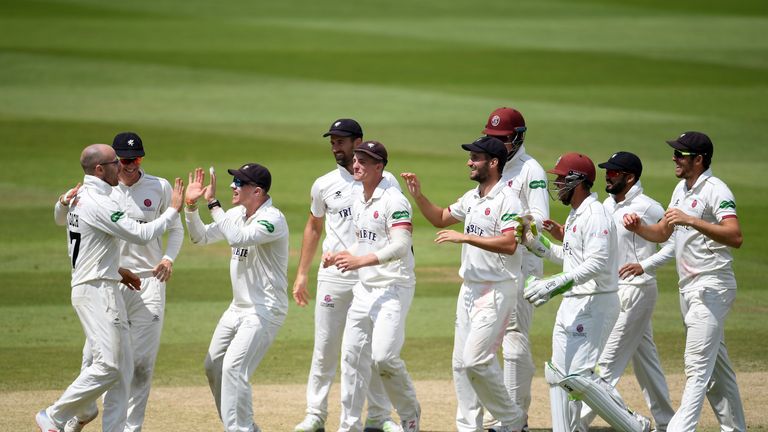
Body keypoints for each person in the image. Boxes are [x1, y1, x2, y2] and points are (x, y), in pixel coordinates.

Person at [37, 144, 183, 432]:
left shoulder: (83, 195)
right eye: (116, 162)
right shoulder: (98, 201)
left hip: (106, 282)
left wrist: (118, 270)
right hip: (96, 289)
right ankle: (54, 415)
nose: (124, 167)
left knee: (125, 369)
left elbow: (64, 221)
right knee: (108, 366)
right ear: (100, 169)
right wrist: (173, 209)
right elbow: (141, 235)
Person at [401, 136, 526, 432]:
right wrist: (418, 196)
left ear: (493, 163)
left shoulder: (509, 200)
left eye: (475, 157)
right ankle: (468, 427)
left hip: (497, 289)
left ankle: (512, 419)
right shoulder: (473, 197)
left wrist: (466, 237)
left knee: (476, 361)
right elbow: (441, 218)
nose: (469, 162)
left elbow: (510, 243)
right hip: (469, 288)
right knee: (460, 364)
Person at [623, 131, 746, 432]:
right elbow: (663, 233)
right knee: (717, 369)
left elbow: (735, 235)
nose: (674, 158)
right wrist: (640, 227)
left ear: (699, 159)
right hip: (688, 287)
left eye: (681, 154)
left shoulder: (716, 190)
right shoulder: (681, 189)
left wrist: (692, 220)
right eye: (675, 153)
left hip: (712, 286)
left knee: (696, 366)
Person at [519, 152, 650, 432]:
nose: (557, 185)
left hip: (596, 302)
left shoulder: (596, 214)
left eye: (561, 179)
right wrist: (535, 243)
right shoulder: (576, 213)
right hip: (573, 301)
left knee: (579, 378)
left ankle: (634, 426)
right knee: (557, 375)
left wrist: (552, 285)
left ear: (578, 181)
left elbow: (597, 264)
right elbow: (568, 258)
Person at [292, 119, 397, 432]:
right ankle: (315, 414)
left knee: (373, 350)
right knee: (325, 346)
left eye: (341, 141)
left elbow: (396, 226)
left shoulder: (384, 179)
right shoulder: (323, 184)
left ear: (358, 141)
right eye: (332, 142)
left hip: (371, 277)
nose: (336, 147)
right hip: (334, 277)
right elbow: (314, 226)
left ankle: (378, 416)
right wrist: (301, 274)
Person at [323, 141, 420, 432]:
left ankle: (410, 414)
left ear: (380, 167)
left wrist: (361, 261)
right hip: (364, 291)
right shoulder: (357, 198)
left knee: (384, 357)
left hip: (393, 288)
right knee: (351, 358)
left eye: (364, 161)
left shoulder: (394, 200)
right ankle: (349, 426)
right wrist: (342, 255)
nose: (357, 165)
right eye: (356, 160)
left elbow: (401, 245)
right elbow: (365, 240)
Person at [184, 163, 289, 432]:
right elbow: (200, 237)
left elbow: (239, 238)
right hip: (237, 308)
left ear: (257, 191)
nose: (233, 186)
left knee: (233, 368)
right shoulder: (237, 213)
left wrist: (213, 204)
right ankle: (246, 427)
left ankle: (239, 429)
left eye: (238, 183)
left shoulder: (273, 219)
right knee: (213, 366)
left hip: (264, 309)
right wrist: (192, 207)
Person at [576, 151, 675, 431]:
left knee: (606, 364)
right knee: (646, 363)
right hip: (614, 291)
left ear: (630, 178)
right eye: (607, 171)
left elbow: (675, 243)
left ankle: (576, 424)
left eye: (614, 173)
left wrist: (645, 264)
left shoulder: (648, 206)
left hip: (637, 290)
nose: (607, 176)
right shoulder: (606, 206)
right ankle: (669, 423)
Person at [481, 107, 548, 430]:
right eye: (491, 138)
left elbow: (538, 219)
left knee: (513, 336)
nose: (496, 144)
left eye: (502, 139)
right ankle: (503, 414)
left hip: (523, 263)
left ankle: (513, 418)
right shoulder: (494, 164)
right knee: (489, 338)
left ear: (518, 138)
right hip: (494, 265)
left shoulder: (530, 170)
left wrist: (511, 231)